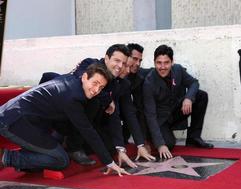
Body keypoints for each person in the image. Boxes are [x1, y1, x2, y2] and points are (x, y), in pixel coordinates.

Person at [0, 63, 129, 176]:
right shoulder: (73, 98)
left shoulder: (74, 82)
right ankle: (5, 157)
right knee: (61, 160)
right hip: (13, 120)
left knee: (53, 149)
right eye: (95, 83)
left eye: (101, 87)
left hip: (27, 120)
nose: (96, 90)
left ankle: (27, 160)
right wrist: (109, 162)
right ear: (84, 77)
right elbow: (88, 131)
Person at [65, 44, 154, 167]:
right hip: (66, 113)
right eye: (119, 62)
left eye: (124, 64)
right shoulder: (89, 63)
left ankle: (84, 145)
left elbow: (122, 114)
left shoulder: (119, 82)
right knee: (94, 102)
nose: (125, 69)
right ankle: (71, 146)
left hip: (94, 121)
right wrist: (107, 98)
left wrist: (130, 146)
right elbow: (80, 82)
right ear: (107, 58)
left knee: (110, 148)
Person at [143, 44, 214, 159]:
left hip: (176, 112)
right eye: (158, 63)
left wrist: (188, 98)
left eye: (166, 62)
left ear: (172, 62)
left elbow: (194, 83)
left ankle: (193, 138)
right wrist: (160, 145)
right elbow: (150, 116)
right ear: (154, 62)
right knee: (169, 144)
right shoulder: (149, 83)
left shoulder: (178, 70)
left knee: (201, 95)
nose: (162, 67)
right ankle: (154, 138)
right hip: (161, 120)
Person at [122, 43, 152, 149]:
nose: (138, 63)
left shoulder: (138, 77)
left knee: (134, 109)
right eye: (135, 59)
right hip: (106, 110)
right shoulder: (114, 72)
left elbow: (139, 108)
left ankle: (124, 139)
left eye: (140, 60)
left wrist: (142, 141)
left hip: (124, 109)